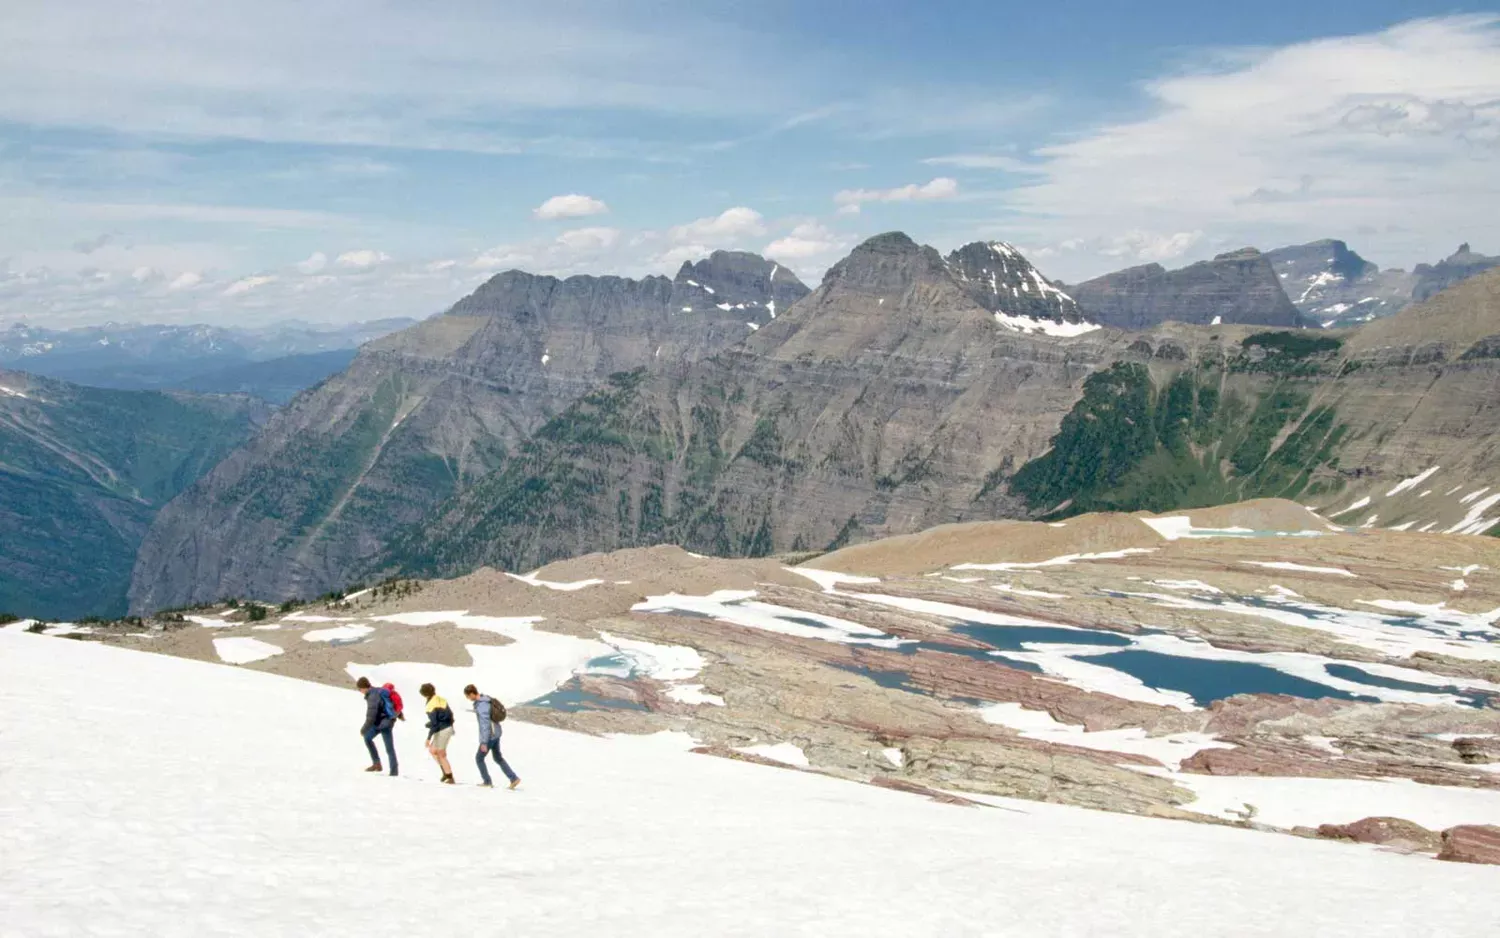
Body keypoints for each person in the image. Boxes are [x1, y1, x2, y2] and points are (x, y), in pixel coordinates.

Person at [464, 683, 520, 789]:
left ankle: (487, 781)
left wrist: (484, 742)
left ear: (471, 694)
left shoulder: (481, 705)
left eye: (467, 696)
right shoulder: (487, 699)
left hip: (490, 735)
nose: (467, 698)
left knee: (479, 758)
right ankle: (513, 778)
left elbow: (485, 724)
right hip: (496, 733)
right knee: (498, 757)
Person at [356, 676, 399, 777]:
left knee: (389, 748)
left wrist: (364, 729)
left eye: (360, 689)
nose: (360, 692)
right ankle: (377, 764)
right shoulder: (375, 691)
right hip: (379, 723)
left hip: (385, 724)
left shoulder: (372, 696)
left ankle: (394, 772)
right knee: (367, 738)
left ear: (363, 688)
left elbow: (371, 716)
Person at [420, 682, 456, 784]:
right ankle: (445, 772)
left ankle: (449, 776)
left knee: (441, 753)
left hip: (442, 729)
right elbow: (449, 715)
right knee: (433, 750)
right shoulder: (440, 699)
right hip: (446, 727)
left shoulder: (431, 704)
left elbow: (435, 723)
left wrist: (428, 738)